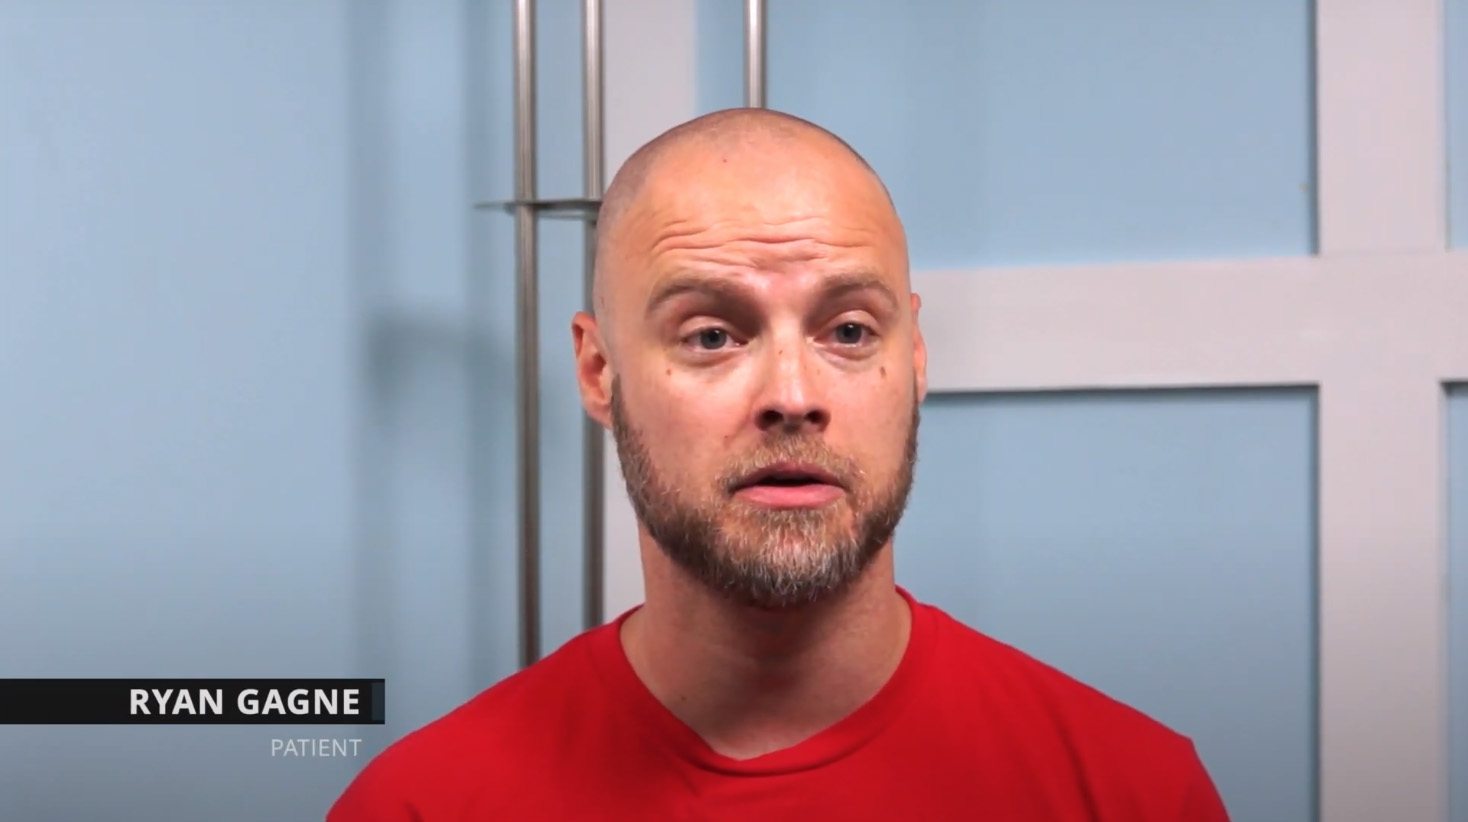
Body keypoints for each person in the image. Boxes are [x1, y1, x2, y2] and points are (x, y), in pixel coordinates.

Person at [327, 108, 1230, 820]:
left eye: (848, 331)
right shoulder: (421, 807)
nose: (792, 393)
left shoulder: (1132, 795)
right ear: (599, 373)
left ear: (914, 360)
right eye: (712, 335)